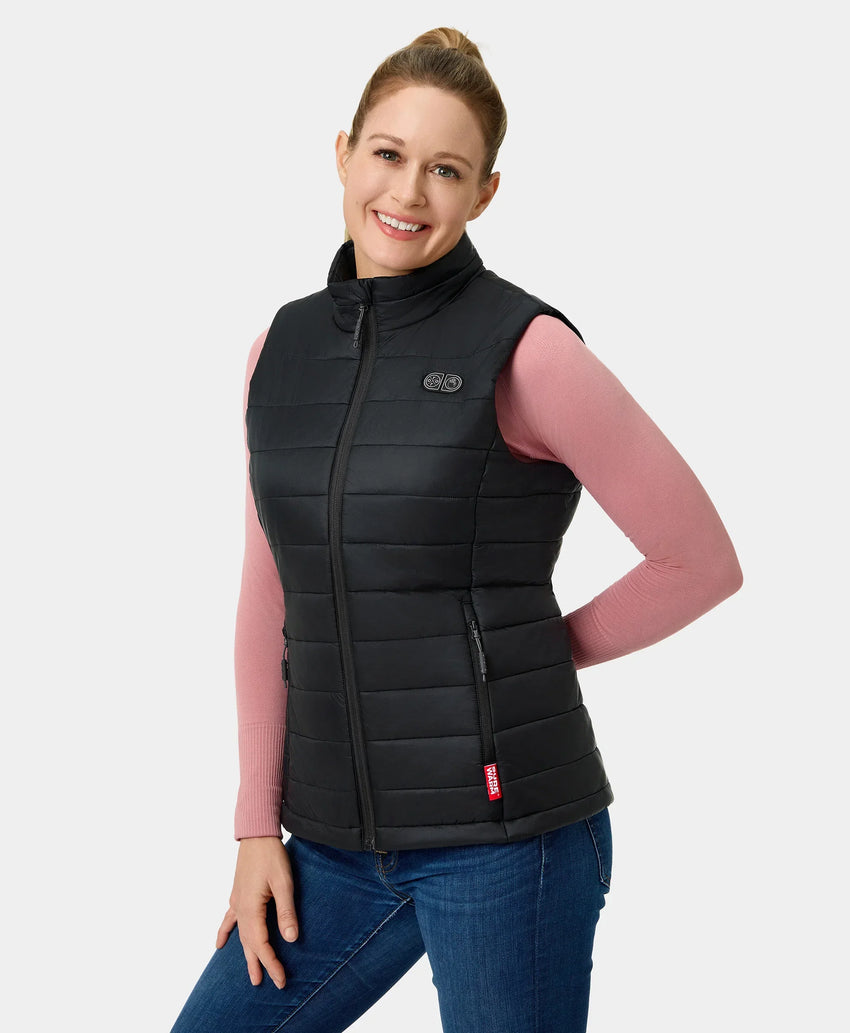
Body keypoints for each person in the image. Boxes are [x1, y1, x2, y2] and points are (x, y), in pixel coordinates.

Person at [169, 26, 743, 1033]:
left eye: (445, 169)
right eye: (388, 154)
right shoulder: (280, 349)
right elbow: (270, 594)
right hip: (332, 842)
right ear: (342, 153)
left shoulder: (528, 350)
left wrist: (517, 657)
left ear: (484, 193)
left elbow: (698, 560)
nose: (408, 191)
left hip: (506, 840)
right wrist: (256, 825)